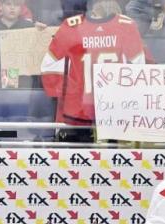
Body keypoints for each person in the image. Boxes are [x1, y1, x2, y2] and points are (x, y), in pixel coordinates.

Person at [40, 0, 145, 141]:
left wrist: (67, 96)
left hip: (78, 111)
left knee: (76, 159)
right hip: (114, 110)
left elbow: (49, 68)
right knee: (112, 158)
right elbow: (139, 69)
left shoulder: (71, 26)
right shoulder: (126, 25)